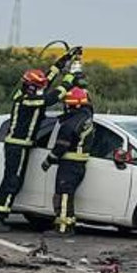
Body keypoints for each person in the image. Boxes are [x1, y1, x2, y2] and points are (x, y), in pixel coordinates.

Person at [0, 67, 49, 230]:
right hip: (17, 145)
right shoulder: (27, 100)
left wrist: (62, 63)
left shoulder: (30, 94)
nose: (42, 89)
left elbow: (46, 83)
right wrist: (69, 82)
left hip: (21, 145)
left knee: (15, 181)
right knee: (12, 181)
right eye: (39, 86)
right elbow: (51, 98)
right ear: (30, 86)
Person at [44, 87, 95, 233]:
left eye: (67, 104)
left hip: (70, 163)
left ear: (72, 106)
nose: (65, 107)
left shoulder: (71, 124)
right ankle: (69, 222)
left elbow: (61, 146)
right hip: (78, 163)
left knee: (64, 193)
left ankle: (63, 227)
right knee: (68, 193)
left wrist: (49, 160)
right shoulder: (86, 117)